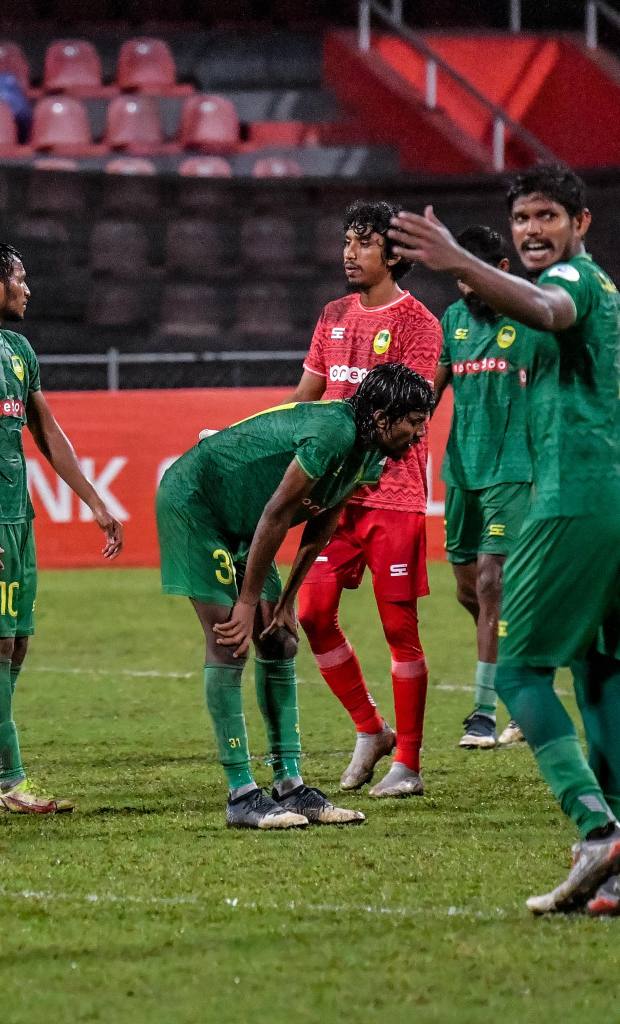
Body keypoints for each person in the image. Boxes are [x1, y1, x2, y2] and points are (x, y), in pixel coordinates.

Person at [391, 163, 620, 915]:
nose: (532, 231)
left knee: (522, 671)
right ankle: (616, 866)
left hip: (571, 497)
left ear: (580, 225)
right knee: (598, 667)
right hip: (605, 493)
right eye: (522, 218)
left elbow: (552, 310)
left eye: (548, 216)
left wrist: (460, 261)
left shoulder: (579, 284)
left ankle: (594, 828)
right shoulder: (606, 293)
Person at [158, 363, 433, 829]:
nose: (421, 432)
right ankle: (242, 795)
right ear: (384, 415)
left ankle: (290, 787)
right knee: (230, 640)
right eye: (414, 421)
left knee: (280, 640)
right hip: (196, 503)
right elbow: (277, 512)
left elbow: (324, 518)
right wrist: (247, 603)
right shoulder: (332, 431)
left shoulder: (371, 452)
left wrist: (286, 599)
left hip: (243, 521)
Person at [0, 241, 122, 814]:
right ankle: (11, 780)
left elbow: (48, 433)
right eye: (20, 277)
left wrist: (94, 500)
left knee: (15, 646)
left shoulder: (18, 349)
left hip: (19, 519)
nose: (27, 288)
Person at [286, 200, 442, 798]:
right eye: (346, 240)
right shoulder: (332, 314)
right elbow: (307, 395)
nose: (350, 252)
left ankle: (409, 763)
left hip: (392, 496)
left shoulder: (418, 323)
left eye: (364, 242)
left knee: (399, 629)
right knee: (311, 614)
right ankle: (370, 730)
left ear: (393, 253)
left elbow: (413, 413)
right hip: (334, 498)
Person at [432, 225, 545, 750]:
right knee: (467, 589)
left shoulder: (531, 321)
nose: (466, 288)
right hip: (462, 472)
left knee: (490, 582)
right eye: (458, 278)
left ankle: (482, 713)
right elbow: (431, 393)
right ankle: (526, 677)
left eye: (473, 277)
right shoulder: (452, 321)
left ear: (500, 271)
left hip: (514, 467)